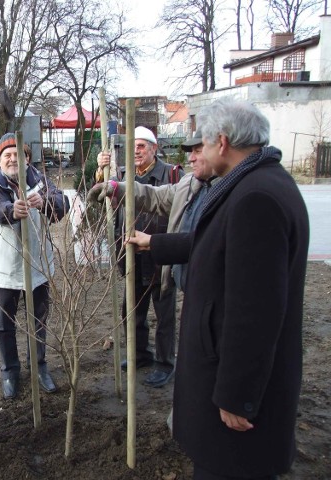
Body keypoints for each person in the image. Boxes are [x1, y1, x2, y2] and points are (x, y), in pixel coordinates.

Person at [127, 99, 309, 479]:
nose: (200, 153)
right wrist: (155, 244)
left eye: (204, 144)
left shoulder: (255, 198)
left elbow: (256, 310)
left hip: (236, 400)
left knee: (230, 468)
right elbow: (216, 242)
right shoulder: (257, 183)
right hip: (228, 370)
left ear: (222, 142)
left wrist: (236, 396)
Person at [0, 133, 70, 399]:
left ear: (28, 159)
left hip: (38, 268)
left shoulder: (40, 182)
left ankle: (39, 366)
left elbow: (61, 206)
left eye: (18, 155)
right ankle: (10, 371)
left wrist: (46, 202)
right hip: (5, 270)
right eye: (7, 155)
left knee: (38, 320)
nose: (13, 159)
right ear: (0, 160)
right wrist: (11, 210)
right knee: (4, 324)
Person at [93, 126, 183, 387]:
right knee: (132, 311)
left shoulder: (171, 174)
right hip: (131, 254)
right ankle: (140, 354)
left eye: (142, 146)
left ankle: (165, 363)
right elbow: (101, 194)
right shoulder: (121, 174)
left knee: (164, 313)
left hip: (161, 255)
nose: (136, 151)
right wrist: (101, 171)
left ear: (154, 149)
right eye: (132, 147)